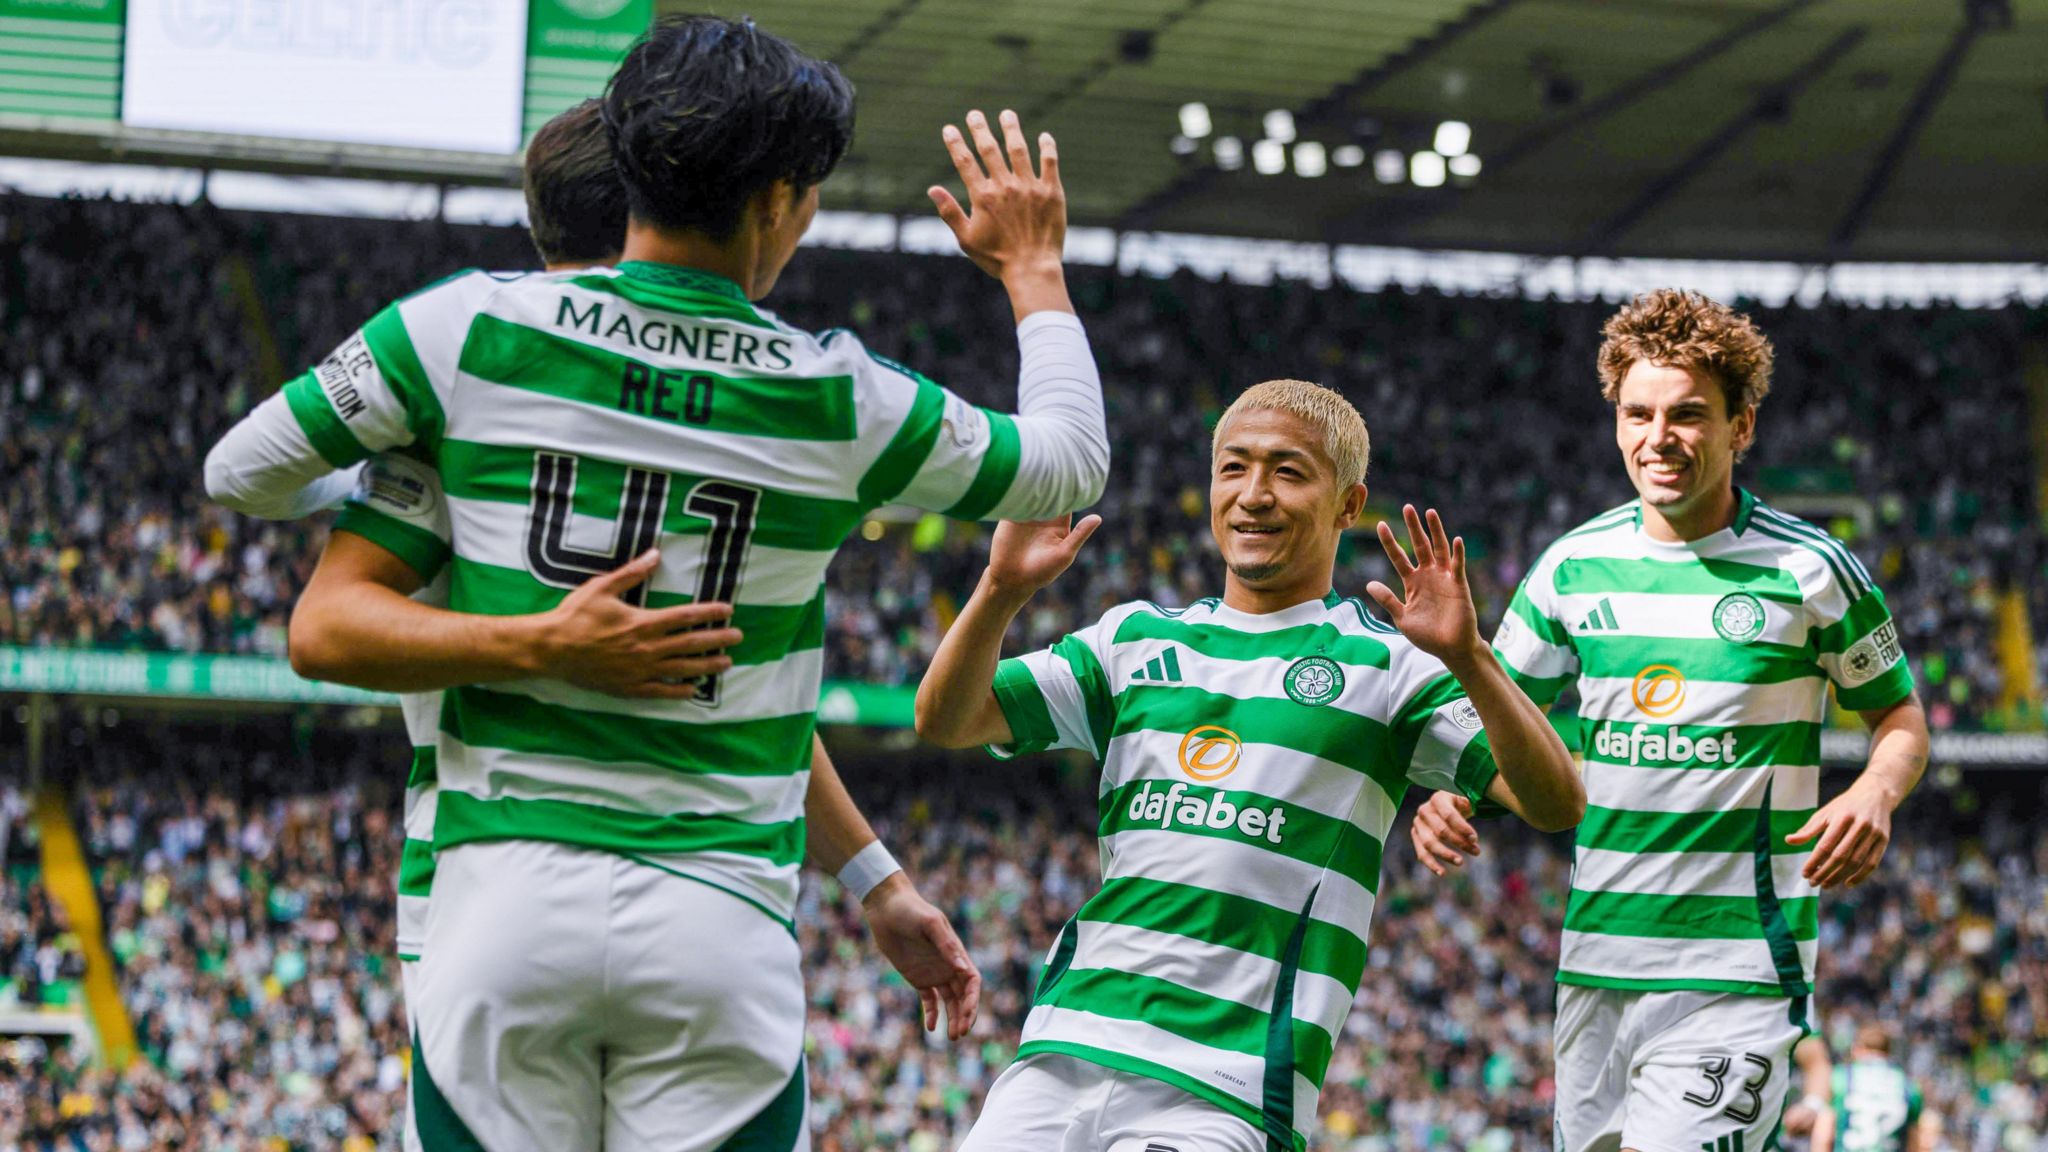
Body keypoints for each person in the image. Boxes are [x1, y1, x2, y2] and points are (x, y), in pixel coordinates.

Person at [203, 15, 1109, 1149]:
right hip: (713, 917)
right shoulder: (839, 398)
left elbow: (238, 473)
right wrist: (1030, 269)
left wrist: (417, 484)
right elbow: (1071, 462)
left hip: (495, 907)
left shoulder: (464, 332)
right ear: (779, 198)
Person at [915, 379, 1584, 1151]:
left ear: (1347, 503)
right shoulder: (1133, 640)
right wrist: (1001, 590)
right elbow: (948, 717)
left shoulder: (1391, 668)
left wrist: (1470, 658)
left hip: (1224, 1091)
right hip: (1061, 1050)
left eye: (1288, 472)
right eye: (1233, 468)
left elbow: (1555, 799)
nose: (1253, 495)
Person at [1408, 290, 1931, 1152]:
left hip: (1738, 972)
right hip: (1595, 971)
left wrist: (1877, 788)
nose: (1661, 438)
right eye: (1639, 413)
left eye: (1689, 414)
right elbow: (1506, 737)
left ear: (1742, 426)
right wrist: (1460, 796)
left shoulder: (1811, 569)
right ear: (1615, 420)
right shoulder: (1570, 569)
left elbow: (1900, 714)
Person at [1826, 1027, 1928, 1152]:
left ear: (1857, 1049)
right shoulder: (1909, 1086)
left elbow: (1824, 1132)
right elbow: (1914, 1142)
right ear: (1888, 1052)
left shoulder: (1841, 1076)